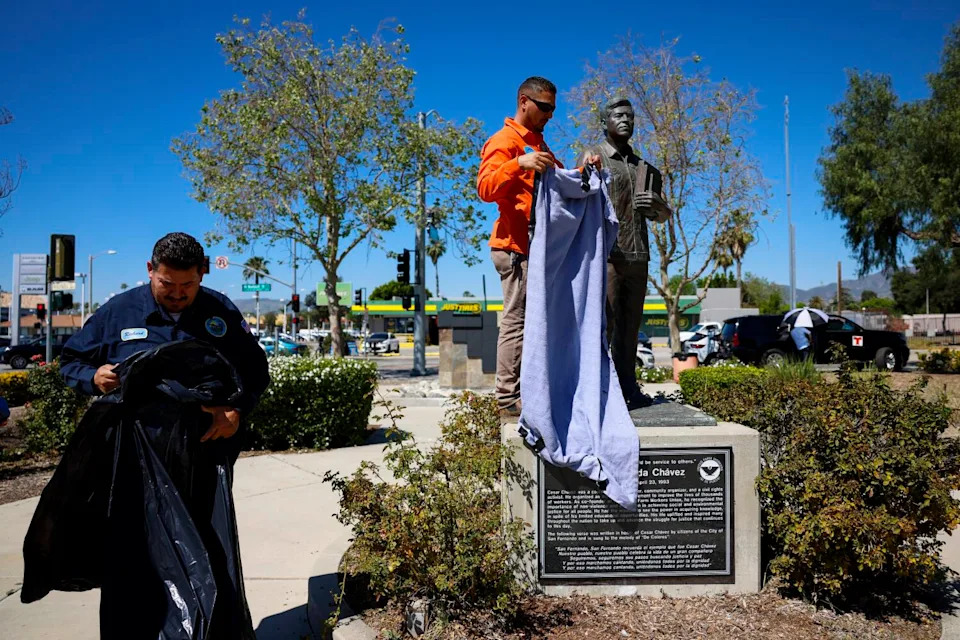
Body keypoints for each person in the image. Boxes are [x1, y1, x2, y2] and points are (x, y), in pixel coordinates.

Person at [59, 232, 269, 635]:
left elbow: (256, 369)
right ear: (150, 270)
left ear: (201, 275)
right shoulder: (118, 312)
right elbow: (71, 360)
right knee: (135, 553)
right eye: (167, 284)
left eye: (188, 285)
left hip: (202, 460)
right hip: (135, 462)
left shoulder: (219, 313)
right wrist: (93, 376)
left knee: (207, 548)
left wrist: (236, 410)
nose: (177, 294)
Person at [477, 76, 599, 416]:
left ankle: (528, 390)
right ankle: (506, 399)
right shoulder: (505, 141)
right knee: (516, 321)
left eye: (553, 109)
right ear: (523, 101)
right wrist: (518, 164)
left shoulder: (539, 144)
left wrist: (584, 166)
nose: (550, 115)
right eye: (544, 107)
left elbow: (563, 184)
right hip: (515, 246)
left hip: (539, 248)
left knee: (535, 322)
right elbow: (485, 187)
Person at [577, 98, 670, 409]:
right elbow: (576, 196)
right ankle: (597, 393)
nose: (626, 120)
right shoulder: (594, 157)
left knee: (631, 329)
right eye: (619, 115)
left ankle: (628, 388)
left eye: (630, 116)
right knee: (602, 327)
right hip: (607, 257)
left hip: (638, 257)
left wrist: (656, 207)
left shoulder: (643, 168)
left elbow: (662, 213)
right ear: (605, 122)